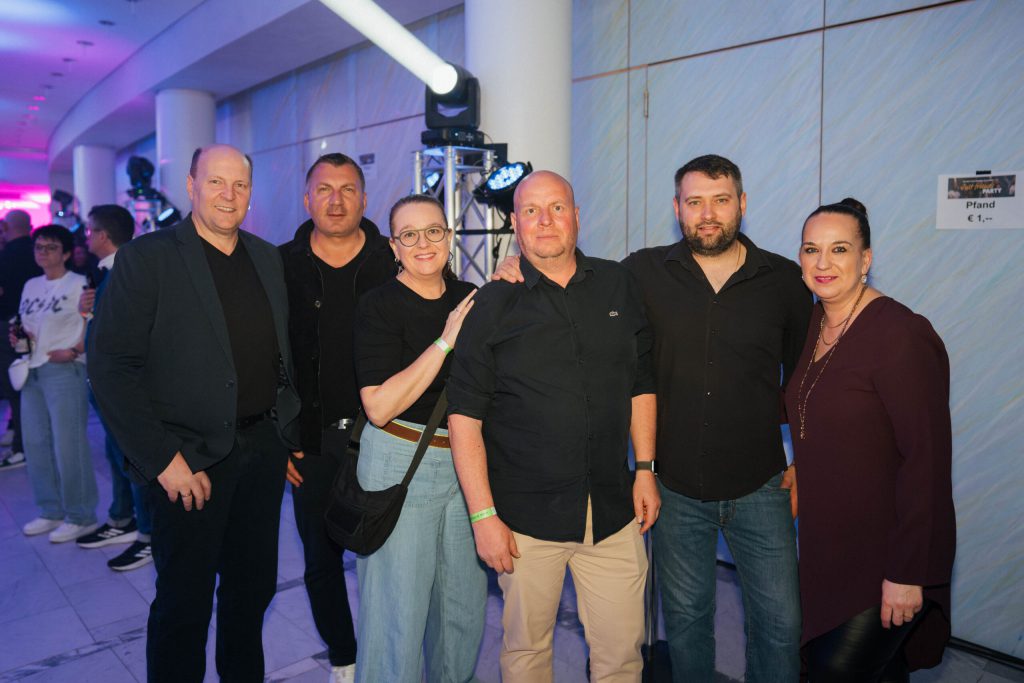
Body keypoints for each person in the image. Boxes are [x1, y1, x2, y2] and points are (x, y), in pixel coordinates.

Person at [492, 157, 811, 681]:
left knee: (781, 624)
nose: (707, 214)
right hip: (674, 486)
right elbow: (571, 274)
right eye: (694, 202)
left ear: (742, 204)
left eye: (720, 200)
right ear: (676, 208)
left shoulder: (784, 281)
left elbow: (805, 383)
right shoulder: (640, 273)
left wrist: (806, 460)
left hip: (761, 484)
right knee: (686, 625)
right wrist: (517, 266)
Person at [88, 144, 301, 681]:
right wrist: (163, 459)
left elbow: (279, 353)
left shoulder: (266, 257)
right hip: (187, 461)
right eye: (216, 182)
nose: (229, 195)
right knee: (184, 604)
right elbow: (111, 369)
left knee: (251, 592)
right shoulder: (148, 258)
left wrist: (285, 429)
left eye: (240, 185)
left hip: (261, 452)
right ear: (191, 185)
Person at [449, 171, 659, 683]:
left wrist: (646, 469)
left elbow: (641, 382)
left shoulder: (617, 283)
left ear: (577, 217)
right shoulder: (492, 304)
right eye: (531, 211)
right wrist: (482, 517)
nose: (545, 221)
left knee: (623, 656)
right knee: (526, 652)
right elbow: (464, 418)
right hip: (525, 522)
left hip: (612, 513)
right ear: (514, 223)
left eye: (557, 208)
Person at [785, 198, 955, 681]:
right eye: (811, 249)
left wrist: (907, 573)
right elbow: (812, 406)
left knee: (834, 669)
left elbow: (926, 461)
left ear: (866, 259)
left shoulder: (901, 335)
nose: (823, 262)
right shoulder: (817, 322)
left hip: (886, 554)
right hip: (826, 546)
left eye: (839, 249)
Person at [352, 194, 483, 683]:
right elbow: (379, 406)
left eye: (433, 231)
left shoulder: (472, 296)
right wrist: (446, 340)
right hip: (399, 460)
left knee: (462, 612)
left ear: (449, 236)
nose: (423, 243)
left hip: (466, 462)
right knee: (397, 616)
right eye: (409, 234)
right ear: (394, 246)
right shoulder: (378, 306)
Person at [279, 153, 395, 683]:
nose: (336, 200)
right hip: (312, 441)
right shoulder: (280, 265)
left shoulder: (393, 259)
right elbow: (263, 355)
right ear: (307, 199)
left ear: (365, 200)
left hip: (388, 436)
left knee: (389, 557)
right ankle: (344, 656)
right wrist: (281, 435)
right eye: (324, 189)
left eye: (348, 189)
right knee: (320, 559)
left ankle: (390, 652)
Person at [75, 204, 154, 571]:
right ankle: (123, 518)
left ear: (103, 235)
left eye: (90, 230)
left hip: (124, 387)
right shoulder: (109, 272)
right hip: (108, 385)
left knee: (133, 459)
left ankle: (149, 535)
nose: (86, 237)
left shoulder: (129, 270)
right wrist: (89, 312)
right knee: (115, 456)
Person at [14, 224, 100, 542]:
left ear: (65, 253)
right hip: (31, 369)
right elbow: (26, 323)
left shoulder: (79, 284)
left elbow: (92, 323)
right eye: (39, 247)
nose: (43, 252)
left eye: (51, 247)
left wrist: (75, 350)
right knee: (36, 444)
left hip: (65, 368)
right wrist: (18, 336)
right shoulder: (31, 285)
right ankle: (50, 510)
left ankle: (81, 515)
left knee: (69, 445)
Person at [0, 209, 43, 470]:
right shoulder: (36, 253)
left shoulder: (5, 257)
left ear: (6, 227)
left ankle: (21, 446)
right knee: (32, 385)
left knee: (15, 385)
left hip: (10, 325)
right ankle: (26, 439)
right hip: (41, 324)